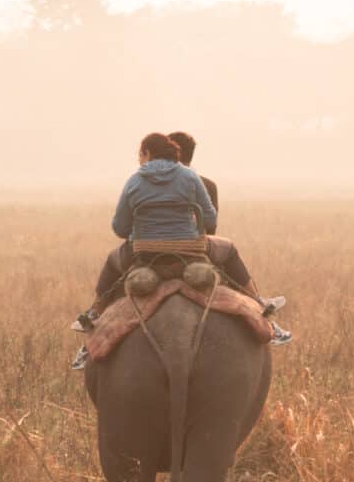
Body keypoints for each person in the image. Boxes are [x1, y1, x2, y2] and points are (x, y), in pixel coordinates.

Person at [71, 133, 285, 343]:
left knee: (112, 260)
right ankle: (259, 304)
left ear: (147, 153)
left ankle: (94, 313)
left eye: (140, 154)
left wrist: (142, 231)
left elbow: (119, 227)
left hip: (145, 253)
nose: (139, 159)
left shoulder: (134, 180)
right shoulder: (190, 176)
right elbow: (210, 218)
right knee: (229, 250)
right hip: (190, 251)